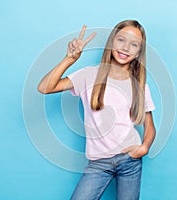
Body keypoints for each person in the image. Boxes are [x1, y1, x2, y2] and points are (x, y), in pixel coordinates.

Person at [38, 19, 156, 200]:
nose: (125, 48)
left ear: (139, 52)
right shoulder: (88, 75)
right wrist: (70, 59)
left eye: (134, 45)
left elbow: (150, 126)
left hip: (130, 161)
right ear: (112, 42)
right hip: (99, 163)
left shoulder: (139, 85)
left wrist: (144, 148)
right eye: (121, 40)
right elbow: (45, 87)